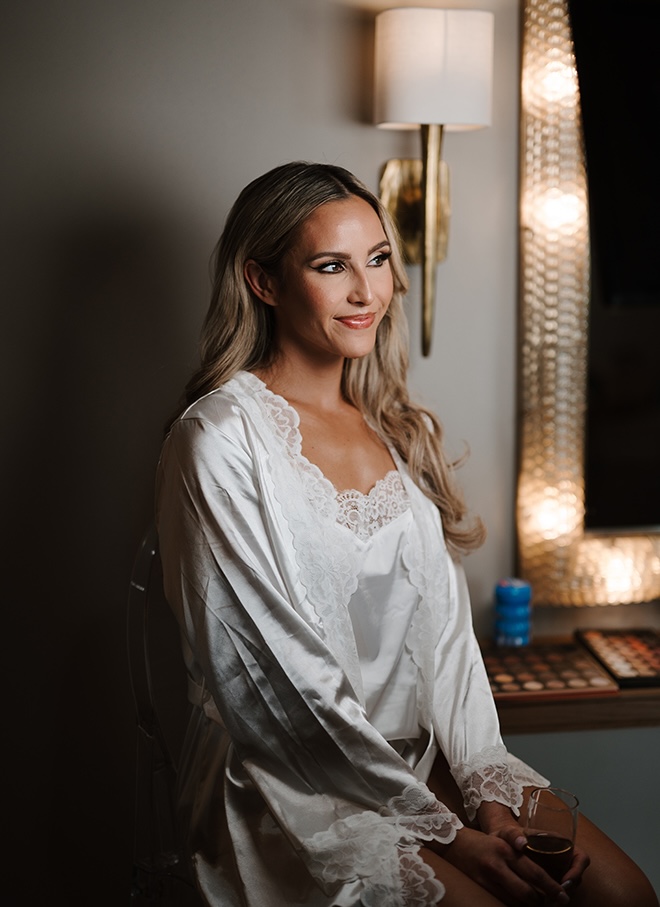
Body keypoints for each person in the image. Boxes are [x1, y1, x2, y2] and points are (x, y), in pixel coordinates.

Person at [156, 161, 657, 907]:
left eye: (379, 259)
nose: (367, 292)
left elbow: (447, 640)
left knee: (626, 894)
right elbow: (272, 682)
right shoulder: (221, 438)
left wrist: (483, 788)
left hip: (429, 760)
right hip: (298, 779)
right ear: (263, 281)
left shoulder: (389, 424)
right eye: (333, 266)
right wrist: (450, 835)